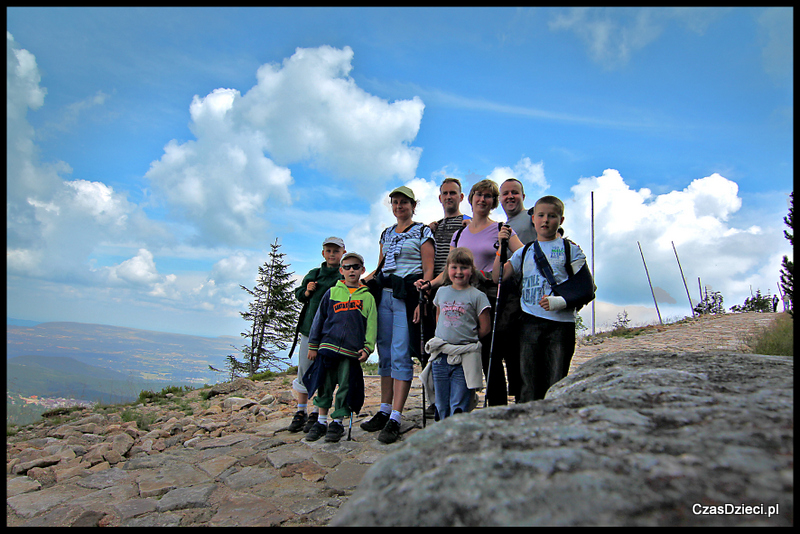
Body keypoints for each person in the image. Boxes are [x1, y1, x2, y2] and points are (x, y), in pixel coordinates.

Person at [417, 179, 524, 406]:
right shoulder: (459, 235)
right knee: (466, 355)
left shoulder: (501, 230)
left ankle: (497, 408)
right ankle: (462, 406)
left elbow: (524, 255)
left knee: (491, 357)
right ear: (471, 198)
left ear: (493, 202)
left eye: (488, 196)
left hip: (492, 300)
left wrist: (502, 272)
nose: (482, 200)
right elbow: (450, 269)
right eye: (479, 195)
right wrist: (431, 285)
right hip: (463, 302)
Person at [492, 195, 588, 402]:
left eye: (552, 216)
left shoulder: (570, 250)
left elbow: (586, 287)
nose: (545, 220)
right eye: (541, 216)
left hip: (561, 325)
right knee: (528, 381)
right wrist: (502, 246)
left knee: (556, 380)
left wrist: (560, 301)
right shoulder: (524, 252)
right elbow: (497, 276)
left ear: (561, 220)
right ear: (533, 219)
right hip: (529, 323)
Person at [361, 185, 434, 443]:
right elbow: (380, 267)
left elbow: (428, 269)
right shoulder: (386, 233)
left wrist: (422, 299)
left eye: (404, 202)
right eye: (395, 202)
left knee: (401, 352)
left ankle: (396, 416)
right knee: (386, 352)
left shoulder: (423, 231)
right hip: (384, 295)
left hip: (406, 296)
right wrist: (357, 284)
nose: (399, 206)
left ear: (413, 206)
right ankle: (384, 408)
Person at [302, 252, 377, 442]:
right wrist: (313, 344)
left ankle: (337, 423)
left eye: (356, 266)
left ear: (363, 270)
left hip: (351, 351)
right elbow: (319, 319)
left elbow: (371, 325)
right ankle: (320, 421)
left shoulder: (367, 297)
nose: (352, 270)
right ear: (341, 271)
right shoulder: (332, 293)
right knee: (325, 384)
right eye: (348, 267)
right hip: (327, 347)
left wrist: (368, 348)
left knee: (345, 386)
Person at [420, 247, 490, 419]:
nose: (459, 272)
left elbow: (485, 327)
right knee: (441, 402)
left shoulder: (478, 296)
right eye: (454, 267)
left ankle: (457, 437)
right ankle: (441, 436)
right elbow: (439, 317)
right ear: (447, 269)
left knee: (459, 402)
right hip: (440, 355)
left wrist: (465, 339)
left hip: (464, 356)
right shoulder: (442, 292)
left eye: (464, 268)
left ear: (471, 270)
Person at [287, 237, 345, 433]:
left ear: (342, 253)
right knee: (304, 369)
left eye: (336, 251)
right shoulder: (315, 273)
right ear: (323, 253)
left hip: (330, 333)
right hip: (308, 330)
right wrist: (306, 291)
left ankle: (315, 412)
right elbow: (299, 295)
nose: (332, 254)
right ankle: (301, 411)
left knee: (324, 372)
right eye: (328, 250)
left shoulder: (343, 275)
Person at [499, 178, 536, 244]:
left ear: (523, 197)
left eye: (515, 193)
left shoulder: (534, 215)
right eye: (505, 194)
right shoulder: (501, 228)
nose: (510, 196)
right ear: (500, 199)